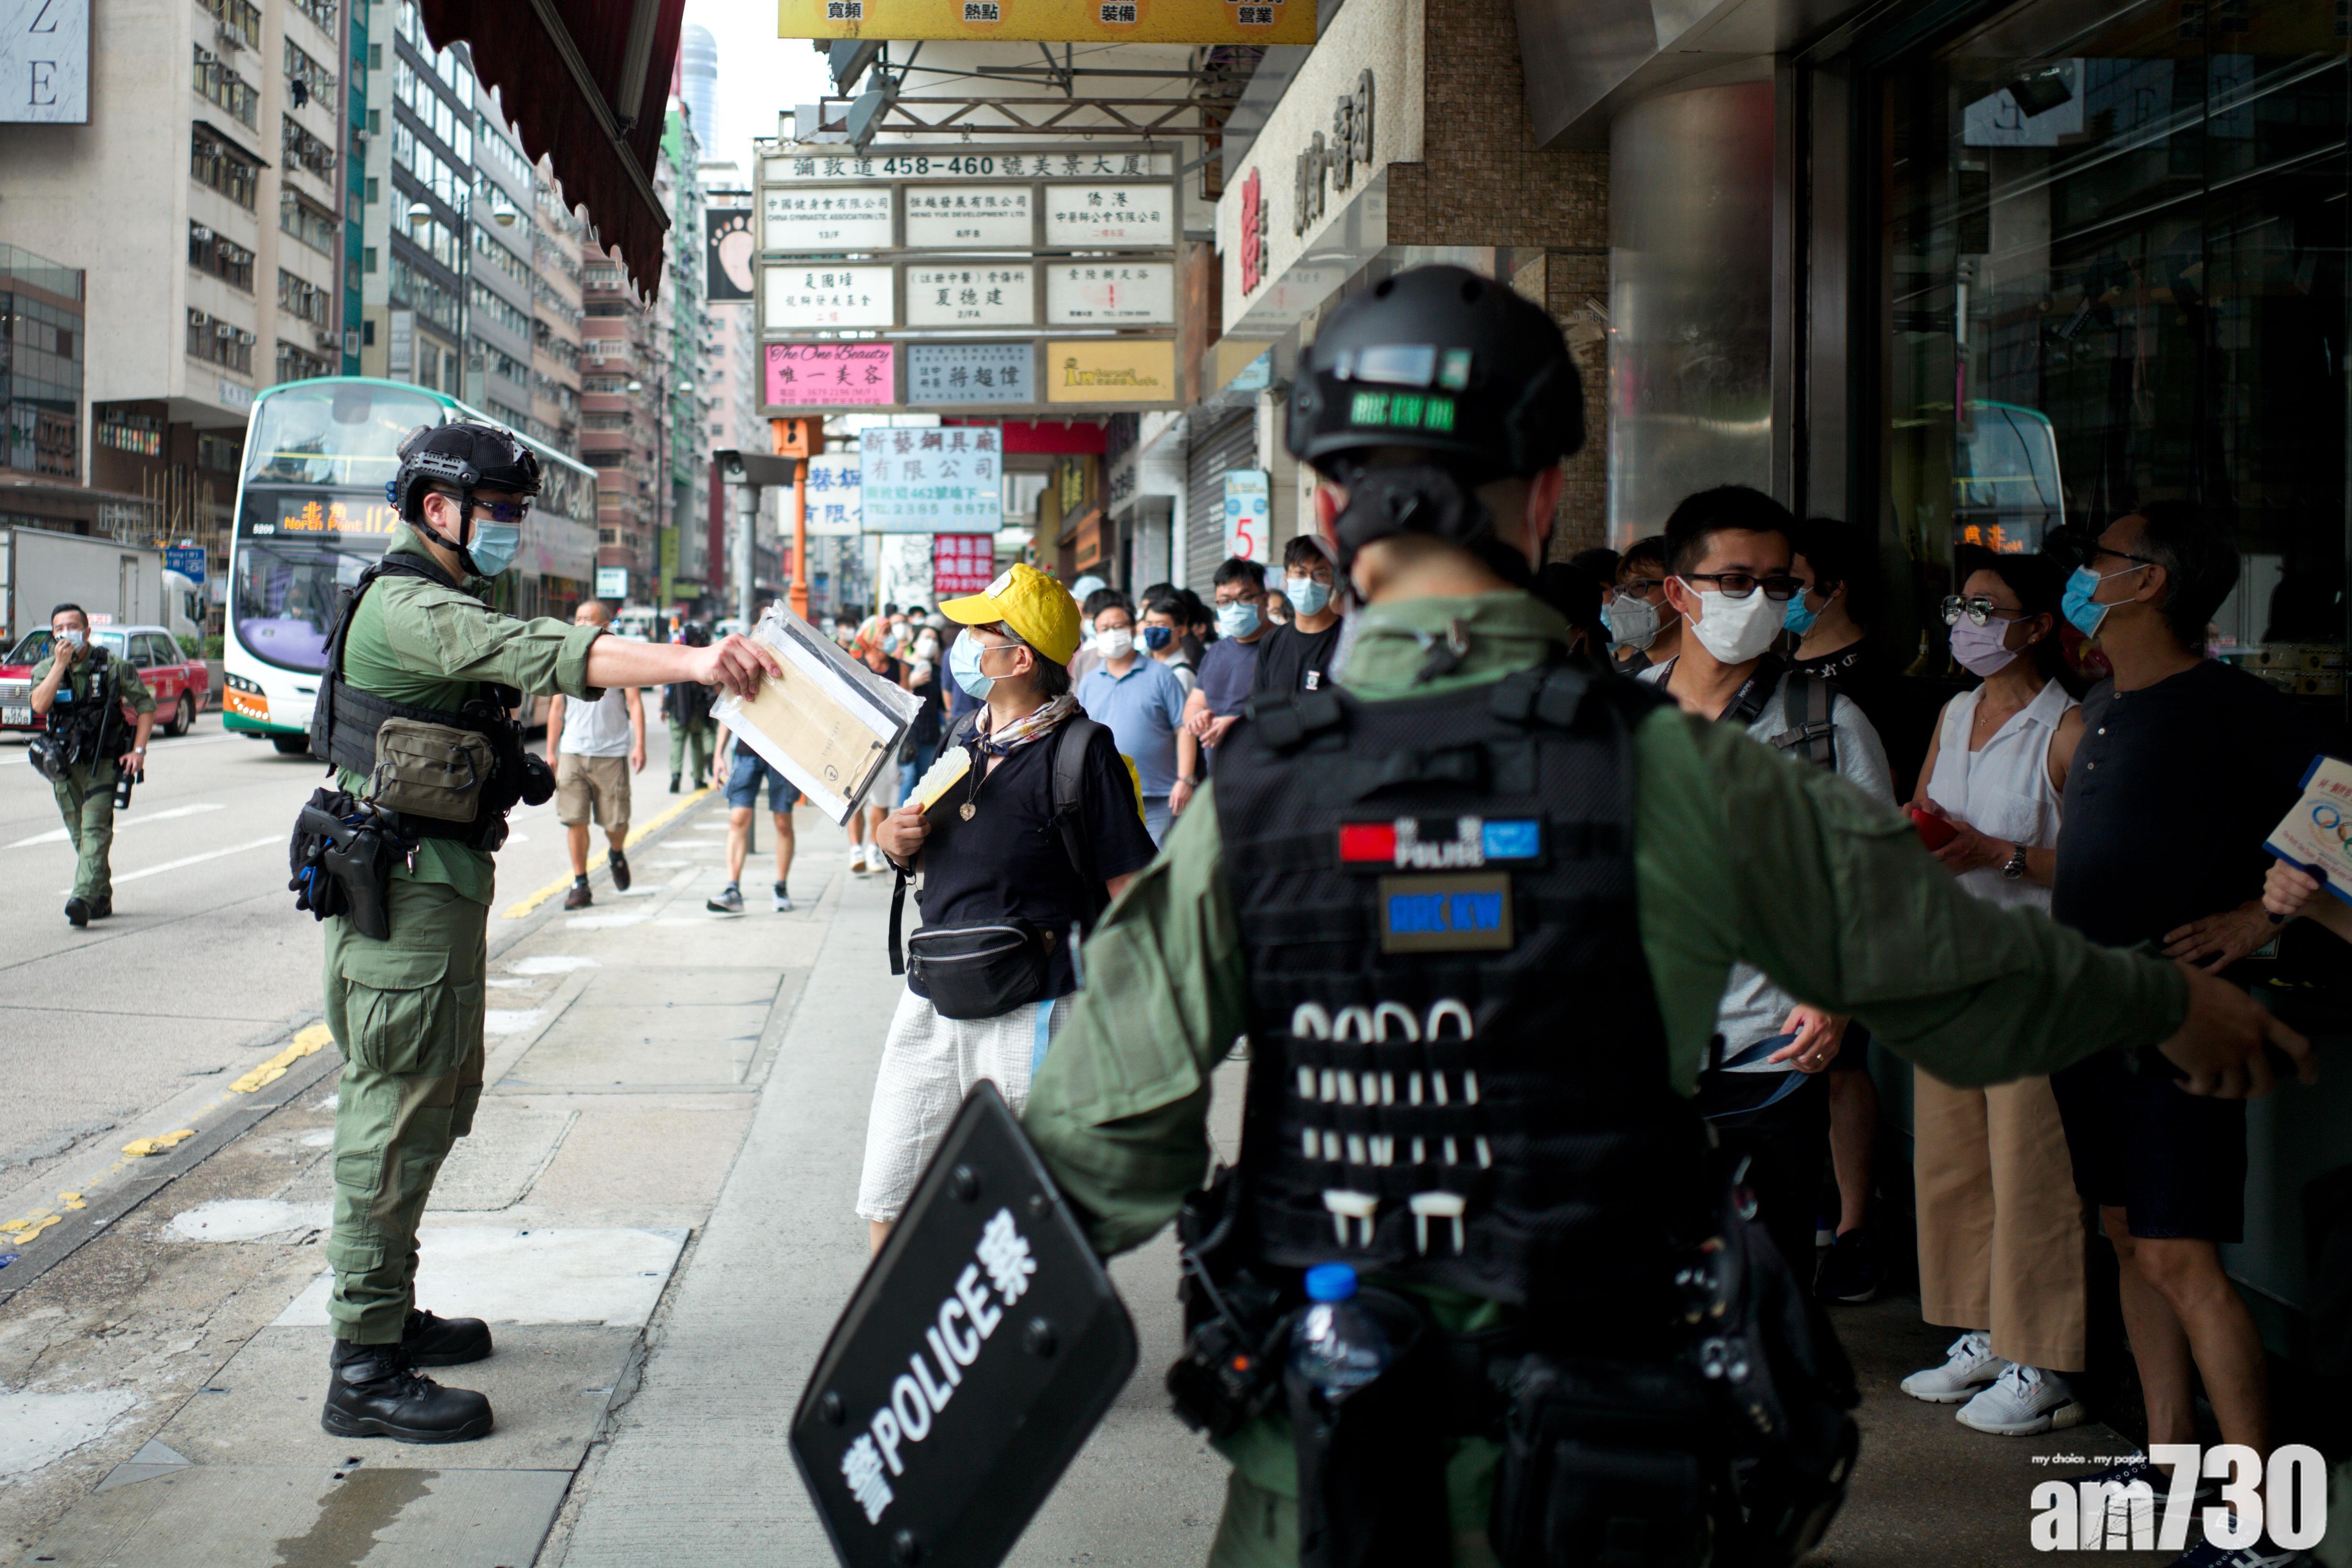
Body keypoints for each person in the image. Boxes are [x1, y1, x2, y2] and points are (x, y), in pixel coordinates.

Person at [1016, 265, 2307, 1568]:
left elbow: (1099, 1140)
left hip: (1326, 1478)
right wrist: (2170, 1001)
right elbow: (1961, 977)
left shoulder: (1255, 801)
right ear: (1545, 496)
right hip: (1608, 1465)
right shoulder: (1684, 772)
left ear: (1336, 507)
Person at [310, 421, 777, 1443]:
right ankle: (361, 1364)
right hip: (404, 898)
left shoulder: (438, 595)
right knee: (391, 1117)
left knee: (433, 1106)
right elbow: (548, 652)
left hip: (432, 889)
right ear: (440, 509)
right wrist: (695, 660)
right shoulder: (407, 603)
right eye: (503, 512)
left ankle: (389, 1315)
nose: (514, 529)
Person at [2043, 502, 2345, 1535]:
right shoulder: (2101, 704)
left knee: (2180, 1252)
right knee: (2128, 1235)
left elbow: (2342, 811)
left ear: (2148, 580)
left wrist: (2259, 916)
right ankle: (2168, 1467)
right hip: (2090, 1012)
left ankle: (2260, 1514)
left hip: (2180, 1020)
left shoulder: (2232, 705)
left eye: (2097, 561)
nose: (2080, 576)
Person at [858, 563, 1156, 1254]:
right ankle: (893, 1345)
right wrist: (892, 840)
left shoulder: (1085, 753)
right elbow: (932, 850)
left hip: (1038, 1005)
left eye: (979, 632)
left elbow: (1134, 898)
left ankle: (1030, 1354)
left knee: (1029, 1211)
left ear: (1020, 657)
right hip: (932, 994)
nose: (963, 642)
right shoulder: (963, 734)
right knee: (890, 1188)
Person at [1638, 485, 1897, 1280]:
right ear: (1678, 594)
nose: (1759, 600)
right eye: (1735, 581)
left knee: (1763, 1301)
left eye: (1777, 583)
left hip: (1767, 1065)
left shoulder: (1825, 725)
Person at [1899, 551, 2092, 1437]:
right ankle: (1981, 1327)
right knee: (1954, 1165)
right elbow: (1916, 809)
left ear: (2038, 626)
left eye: (1987, 607)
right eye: (1960, 605)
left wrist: (1996, 854)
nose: (1966, 622)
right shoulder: (1954, 708)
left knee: (2029, 1173)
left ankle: (2040, 1356)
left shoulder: (2067, 730)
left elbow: (2094, 868)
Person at [1782, 516, 1905, 1290]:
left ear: (1834, 588)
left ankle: (1855, 1223)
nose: (1772, 603)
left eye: (1787, 586)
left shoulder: (1865, 687)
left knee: (1838, 1064)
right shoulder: (1774, 674)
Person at [27, 602, 156, 926]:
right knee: (80, 837)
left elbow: (145, 706)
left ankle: (81, 899)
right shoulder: (45, 669)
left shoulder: (114, 666)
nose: (66, 633)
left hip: (103, 763)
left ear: (86, 631)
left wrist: (138, 751)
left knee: (95, 830)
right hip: (63, 766)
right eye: (59, 629)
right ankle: (101, 895)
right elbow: (40, 705)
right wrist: (60, 666)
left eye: (72, 627)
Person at [545, 601, 645, 912]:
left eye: (589, 619)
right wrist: (551, 751)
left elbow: (636, 702)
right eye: (578, 618)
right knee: (575, 819)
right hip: (574, 750)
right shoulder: (566, 655)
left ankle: (616, 853)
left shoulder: (620, 656)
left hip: (611, 752)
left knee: (617, 822)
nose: (582, 623)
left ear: (606, 625)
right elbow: (557, 708)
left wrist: (639, 744)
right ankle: (581, 883)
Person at [1077, 595, 1197, 845]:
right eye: (1105, 629)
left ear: (1133, 629)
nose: (1113, 633)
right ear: (1095, 634)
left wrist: (1185, 780)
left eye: (1119, 627)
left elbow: (1184, 729)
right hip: (1108, 795)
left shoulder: (1161, 675)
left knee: (1156, 869)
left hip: (1159, 796)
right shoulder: (1089, 681)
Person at [705, 723, 801, 915]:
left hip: (782, 752)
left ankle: (781, 888)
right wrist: (718, 756)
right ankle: (733, 890)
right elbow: (729, 705)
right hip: (747, 750)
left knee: (783, 823)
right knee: (738, 819)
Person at [1182, 559, 1267, 759]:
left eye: (1245, 598)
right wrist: (1198, 718)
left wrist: (1240, 724)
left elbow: (1295, 710)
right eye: (1225, 601)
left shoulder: (1283, 646)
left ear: (1265, 599)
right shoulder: (1216, 652)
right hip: (1220, 776)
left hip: (1268, 774)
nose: (1235, 607)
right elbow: (1193, 705)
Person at [1250, 536, 1346, 696]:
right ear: (1286, 578)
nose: (1309, 582)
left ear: (1333, 581)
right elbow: (1259, 704)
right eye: (1300, 573)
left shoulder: (1349, 640)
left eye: (1320, 574)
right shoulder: (1271, 642)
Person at [847, 633, 908, 876]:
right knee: (855, 799)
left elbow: (905, 703)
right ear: (871, 638)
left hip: (887, 741)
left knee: (880, 800)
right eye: (883, 632)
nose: (889, 637)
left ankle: (873, 848)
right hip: (859, 739)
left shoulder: (898, 666)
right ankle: (855, 850)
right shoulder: (857, 666)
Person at [1604, 533, 1680, 674]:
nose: (1624, 600)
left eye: (1639, 586)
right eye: (1622, 591)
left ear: (1679, 592)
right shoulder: (1643, 681)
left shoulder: (1703, 680)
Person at [662, 621, 717, 793]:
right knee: (697, 743)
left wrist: (664, 708)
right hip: (697, 711)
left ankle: (676, 775)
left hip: (677, 710)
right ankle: (698, 778)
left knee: (677, 743)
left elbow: (667, 687)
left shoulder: (675, 656)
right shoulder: (702, 658)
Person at [899, 622, 946, 807]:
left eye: (935, 639)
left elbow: (941, 704)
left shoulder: (938, 672)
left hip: (930, 734)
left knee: (925, 782)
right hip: (908, 735)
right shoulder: (903, 667)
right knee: (908, 778)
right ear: (915, 642)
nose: (931, 642)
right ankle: (900, 817)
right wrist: (910, 684)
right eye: (927, 638)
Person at [1141, 594, 1198, 695]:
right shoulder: (1145, 664)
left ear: (1180, 631)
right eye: (1149, 624)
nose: (1154, 630)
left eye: (1161, 625)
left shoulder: (1181, 674)